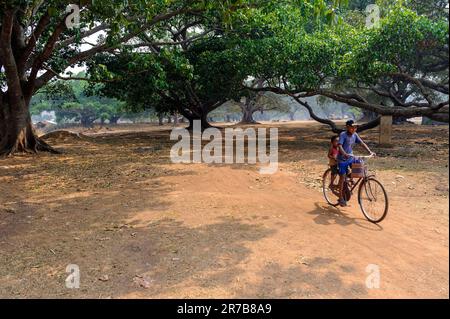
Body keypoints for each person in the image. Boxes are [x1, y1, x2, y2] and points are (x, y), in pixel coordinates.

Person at [337, 120, 376, 207]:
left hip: (350, 157)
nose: (354, 128)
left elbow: (362, 143)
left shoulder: (355, 135)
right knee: (342, 177)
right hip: (342, 159)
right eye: (352, 127)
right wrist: (344, 153)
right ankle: (340, 197)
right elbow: (339, 146)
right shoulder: (343, 135)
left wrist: (370, 152)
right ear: (347, 127)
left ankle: (348, 178)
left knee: (360, 168)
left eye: (355, 127)